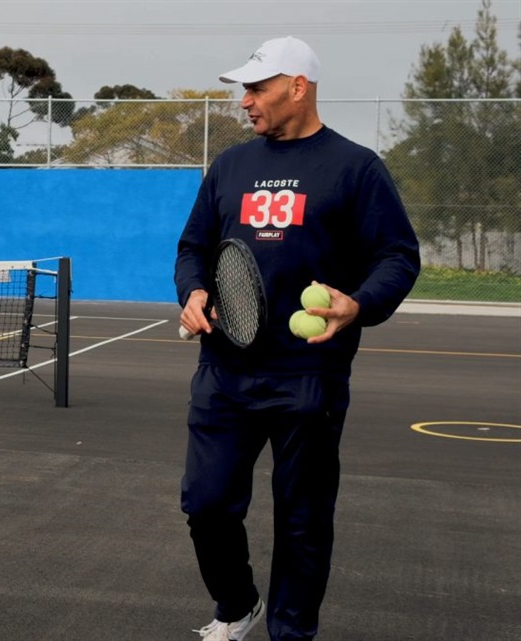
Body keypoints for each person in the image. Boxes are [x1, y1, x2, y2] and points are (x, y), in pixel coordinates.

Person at [174, 37, 420, 641]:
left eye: (257, 89)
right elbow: (193, 249)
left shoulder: (355, 167)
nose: (245, 102)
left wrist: (358, 303)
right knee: (206, 505)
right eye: (245, 90)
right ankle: (237, 604)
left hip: (309, 375)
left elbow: (397, 254)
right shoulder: (229, 167)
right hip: (224, 372)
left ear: (298, 87)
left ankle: (291, 632)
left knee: (304, 520)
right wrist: (195, 291)